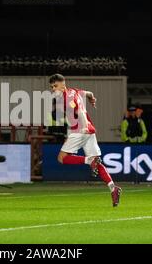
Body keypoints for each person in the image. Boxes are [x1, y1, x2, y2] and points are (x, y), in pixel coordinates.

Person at [49, 74, 121, 207]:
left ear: (63, 84)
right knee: (97, 163)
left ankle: (89, 161)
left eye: (55, 86)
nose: (53, 89)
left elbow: (80, 112)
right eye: (52, 87)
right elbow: (89, 93)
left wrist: (84, 126)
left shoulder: (67, 98)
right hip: (89, 131)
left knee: (62, 158)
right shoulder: (75, 91)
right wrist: (92, 98)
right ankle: (113, 188)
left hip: (80, 130)